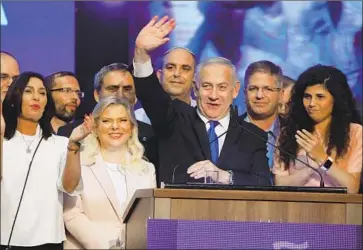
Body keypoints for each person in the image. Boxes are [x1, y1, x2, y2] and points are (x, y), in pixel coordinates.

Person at [132, 16, 271, 185]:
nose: (213, 95)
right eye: (206, 86)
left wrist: (224, 176)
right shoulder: (175, 120)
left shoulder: (252, 136)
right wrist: (141, 54)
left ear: (234, 90)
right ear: (196, 89)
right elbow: (151, 96)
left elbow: (264, 183)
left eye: (221, 87)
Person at [1, 72, 91, 249]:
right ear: (14, 98)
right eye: (29, 91)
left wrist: (73, 144)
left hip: (49, 240)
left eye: (42, 93)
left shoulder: (60, 143)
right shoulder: (4, 142)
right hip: (6, 240)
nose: (36, 97)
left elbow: (69, 186)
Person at [63, 96, 156, 249]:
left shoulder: (147, 169)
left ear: (132, 127)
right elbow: (71, 214)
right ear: (95, 127)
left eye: (122, 120)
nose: (115, 126)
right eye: (107, 121)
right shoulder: (78, 164)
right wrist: (107, 246)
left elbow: (149, 217)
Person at [273, 65, 362, 194]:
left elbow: (352, 188)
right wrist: (311, 168)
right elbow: (280, 184)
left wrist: (323, 159)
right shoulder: (289, 133)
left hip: (339, 210)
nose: (312, 104)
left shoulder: (354, 132)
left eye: (320, 97)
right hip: (296, 208)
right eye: (307, 97)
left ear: (335, 100)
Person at [56, 63, 155, 164]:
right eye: (112, 88)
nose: (120, 95)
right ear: (97, 95)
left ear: (135, 97)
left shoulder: (151, 136)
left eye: (127, 89)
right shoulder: (68, 134)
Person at [135, 46, 197, 125]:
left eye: (185, 69)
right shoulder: (139, 118)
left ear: (194, 78)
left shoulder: (204, 116)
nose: (177, 74)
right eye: (170, 67)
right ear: (159, 75)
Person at [242, 60, 283, 169]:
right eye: (253, 89)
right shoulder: (228, 131)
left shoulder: (294, 133)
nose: (259, 95)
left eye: (267, 89)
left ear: (281, 94)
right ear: (245, 93)